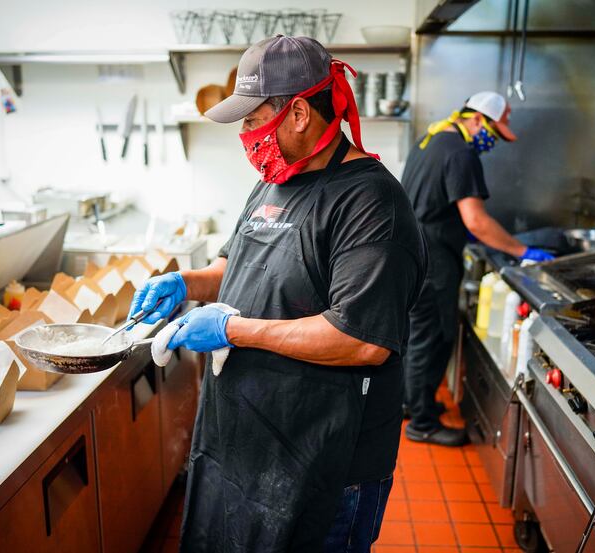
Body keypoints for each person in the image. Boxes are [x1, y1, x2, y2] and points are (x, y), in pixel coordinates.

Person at [130, 36, 426, 552]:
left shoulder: (371, 203)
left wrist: (231, 330)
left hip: (324, 456)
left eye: (251, 120)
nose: (245, 136)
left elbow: (361, 339)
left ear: (297, 114)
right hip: (247, 438)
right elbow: (234, 265)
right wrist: (184, 283)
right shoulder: (276, 179)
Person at [400, 91, 553, 447]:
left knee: (416, 335)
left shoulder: (433, 138)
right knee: (433, 337)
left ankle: (411, 404)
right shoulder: (460, 153)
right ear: (477, 120)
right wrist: (522, 250)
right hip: (434, 261)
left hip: (413, 252)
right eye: (494, 133)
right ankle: (421, 423)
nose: (493, 141)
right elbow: (476, 221)